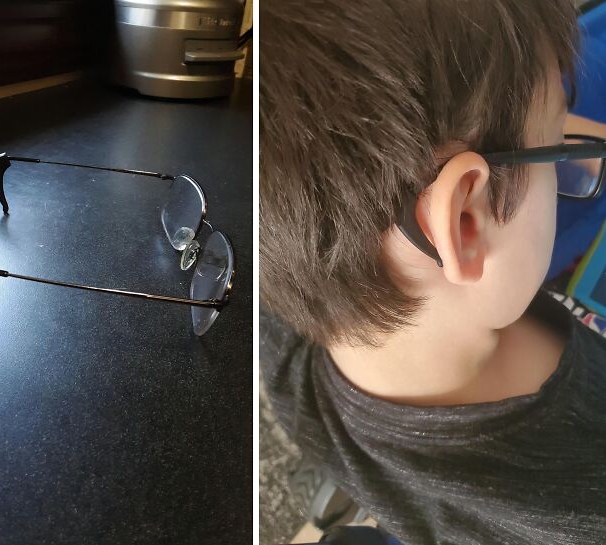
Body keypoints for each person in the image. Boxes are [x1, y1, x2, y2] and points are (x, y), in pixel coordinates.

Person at [259, 1, 606, 543]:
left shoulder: (280, 341)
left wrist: (542, 126)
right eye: (556, 139)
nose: (567, 153)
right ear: (464, 223)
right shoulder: (583, 502)